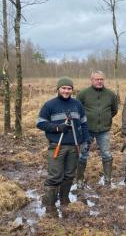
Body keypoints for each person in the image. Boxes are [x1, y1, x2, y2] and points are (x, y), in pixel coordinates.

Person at [36, 77, 89, 209]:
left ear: (72, 90)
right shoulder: (50, 105)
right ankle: (49, 205)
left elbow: (84, 123)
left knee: (69, 175)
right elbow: (40, 123)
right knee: (55, 176)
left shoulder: (77, 104)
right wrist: (57, 128)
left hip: (75, 146)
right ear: (58, 89)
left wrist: (86, 139)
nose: (66, 91)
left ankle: (64, 200)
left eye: (69, 88)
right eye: (64, 88)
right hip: (57, 146)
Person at [75, 71, 118, 187]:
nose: (99, 81)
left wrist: (106, 118)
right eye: (97, 79)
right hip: (86, 130)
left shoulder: (110, 94)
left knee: (106, 154)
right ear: (91, 80)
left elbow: (114, 110)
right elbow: (76, 109)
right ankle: (79, 180)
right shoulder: (83, 94)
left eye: (101, 79)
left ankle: (108, 180)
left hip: (103, 131)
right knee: (83, 155)